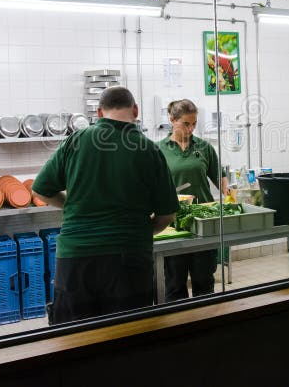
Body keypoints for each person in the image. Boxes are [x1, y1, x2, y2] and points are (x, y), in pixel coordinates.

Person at [31, 86, 178, 324]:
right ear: (136, 110)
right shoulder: (148, 149)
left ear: (99, 113)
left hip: (76, 256)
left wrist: (71, 206)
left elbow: (40, 189)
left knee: (74, 337)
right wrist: (138, 231)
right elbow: (166, 215)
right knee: (128, 336)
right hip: (129, 258)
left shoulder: (76, 140)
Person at [158, 99, 230, 301]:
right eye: (185, 124)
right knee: (174, 284)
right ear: (172, 120)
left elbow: (220, 178)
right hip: (173, 224)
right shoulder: (159, 149)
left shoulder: (204, 148)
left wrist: (229, 193)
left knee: (204, 282)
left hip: (203, 223)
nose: (191, 129)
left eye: (194, 124)